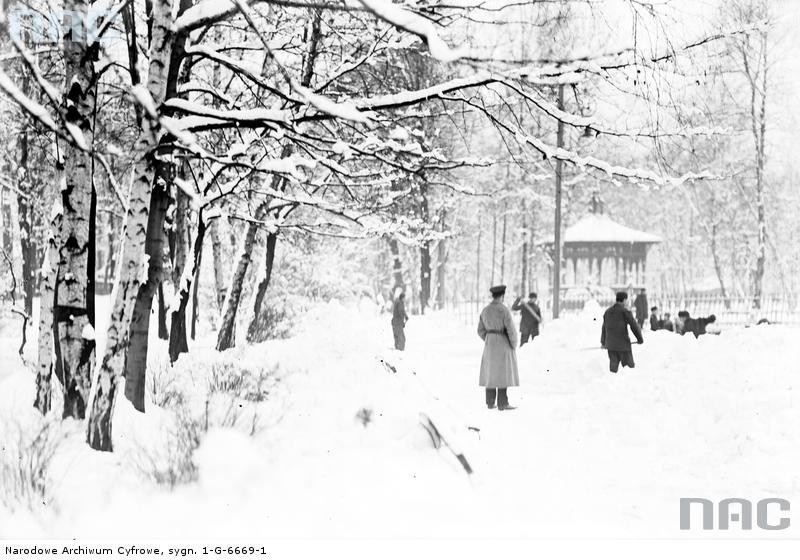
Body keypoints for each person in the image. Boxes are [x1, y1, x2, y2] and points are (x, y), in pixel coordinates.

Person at [477, 285, 519, 410]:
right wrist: (513, 343)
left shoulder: (485, 310)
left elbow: (480, 330)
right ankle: (502, 403)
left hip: (490, 344)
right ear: (502, 296)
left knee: (490, 373)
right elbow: (511, 330)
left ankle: (490, 402)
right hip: (503, 342)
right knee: (502, 373)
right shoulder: (504, 310)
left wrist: (489, 338)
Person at [601, 291, 644, 373]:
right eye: (626, 300)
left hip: (611, 345)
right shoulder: (625, 312)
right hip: (623, 345)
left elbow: (604, 328)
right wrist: (640, 339)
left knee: (613, 371)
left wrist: (603, 342)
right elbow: (634, 326)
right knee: (630, 370)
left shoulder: (607, 312)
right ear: (624, 300)